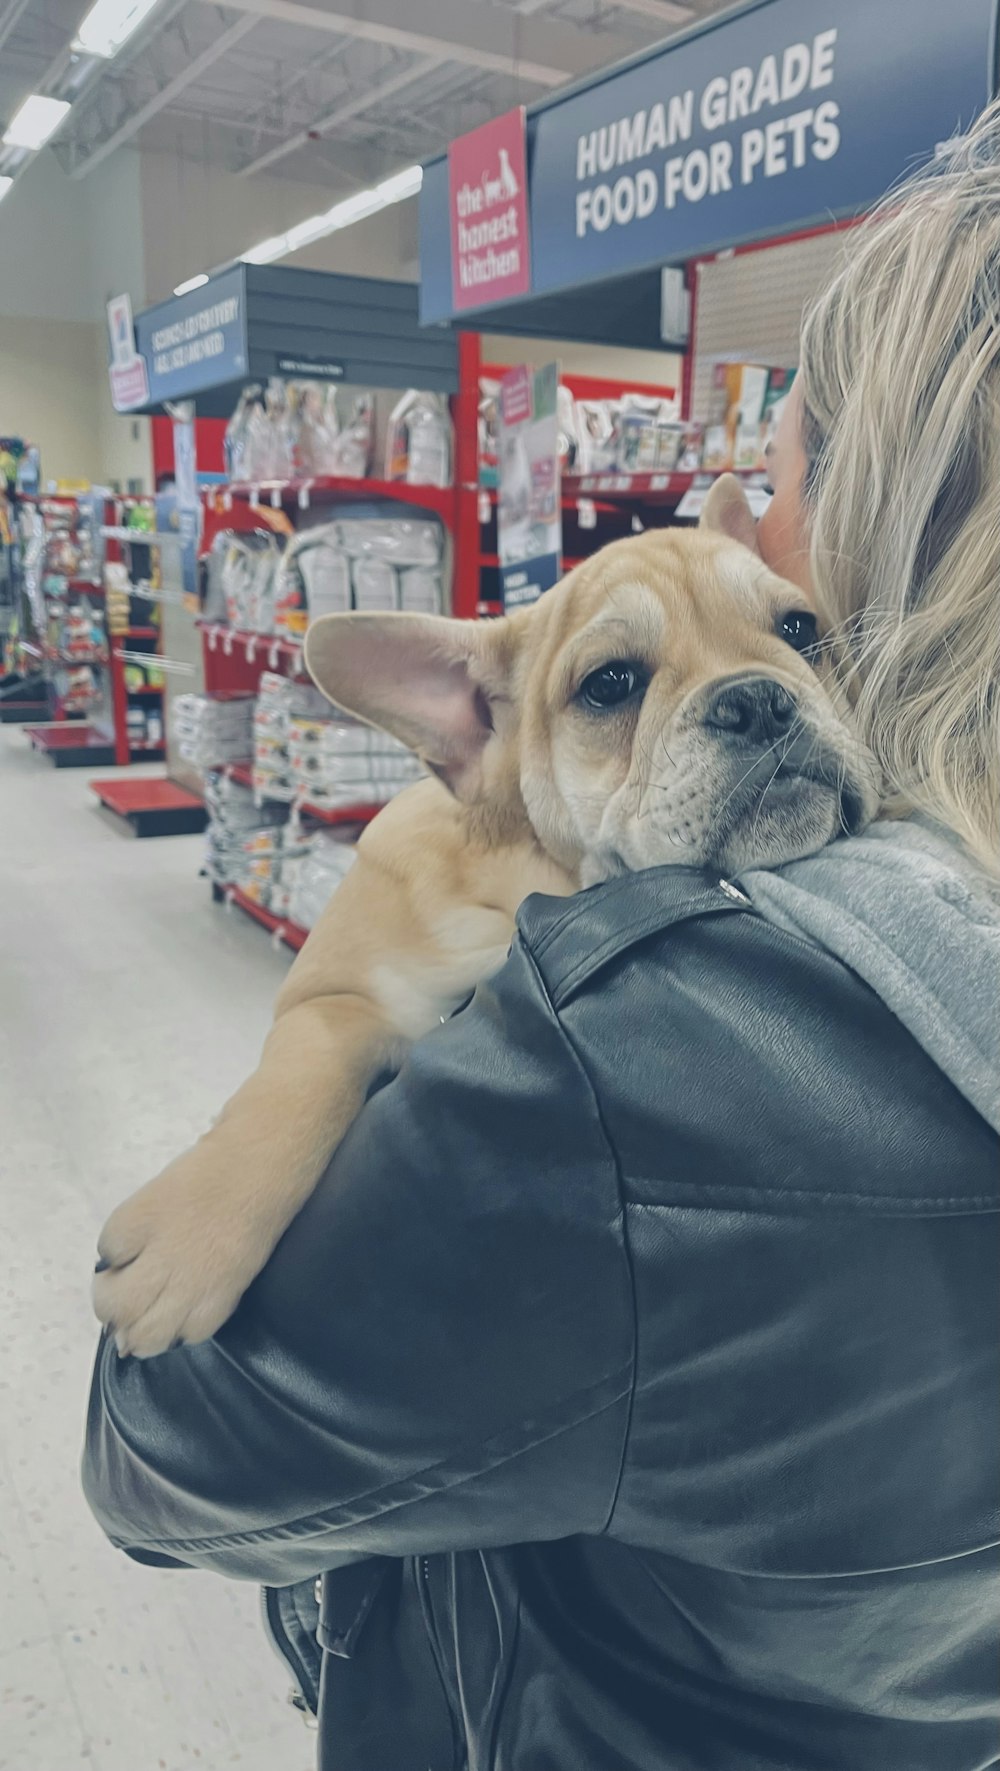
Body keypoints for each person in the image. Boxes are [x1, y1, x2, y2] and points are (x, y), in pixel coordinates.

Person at [83, 109, 1000, 1771]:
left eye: (788, 600)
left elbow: (157, 1462)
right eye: (623, 682)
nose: (753, 679)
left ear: (889, 547)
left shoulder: (638, 1060)